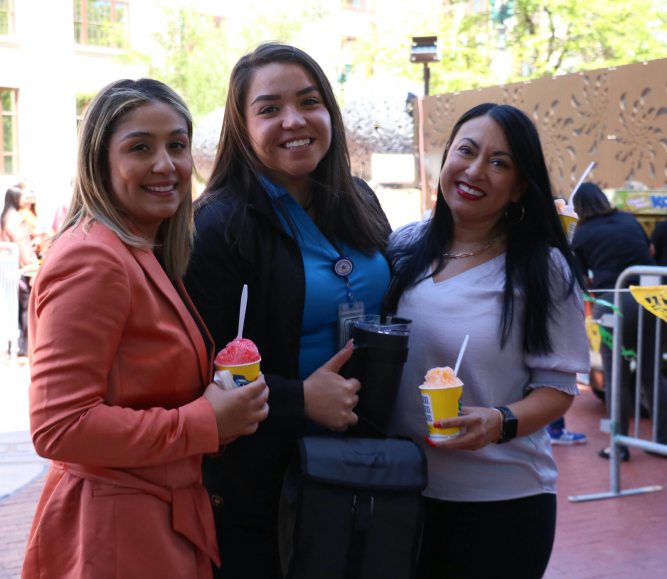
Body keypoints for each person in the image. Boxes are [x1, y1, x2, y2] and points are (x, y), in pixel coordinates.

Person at [22, 78, 269, 579]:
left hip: (153, 527)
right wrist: (204, 422)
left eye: (176, 145)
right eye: (140, 147)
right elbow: (59, 426)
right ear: (99, 161)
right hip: (113, 536)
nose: (165, 164)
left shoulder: (139, 251)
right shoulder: (94, 257)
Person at [183, 43, 392, 578]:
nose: (294, 120)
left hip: (367, 462)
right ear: (242, 124)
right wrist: (301, 399)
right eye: (269, 108)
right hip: (268, 486)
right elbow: (195, 371)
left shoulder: (360, 199)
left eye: (309, 101)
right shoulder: (218, 226)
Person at [386, 103, 590, 578]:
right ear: (446, 157)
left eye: (499, 163)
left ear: (520, 185)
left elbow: (558, 389)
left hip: (501, 505)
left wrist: (499, 422)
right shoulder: (402, 247)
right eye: (467, 151)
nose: (475, 171)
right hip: (401, 492)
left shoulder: (541, 267)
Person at [571, 182, 667, 460]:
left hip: (614, 305)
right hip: (651, 300)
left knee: (616, 378)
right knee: (652, 374)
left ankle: (619, 445)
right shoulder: (628, 218)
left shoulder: (582, 233)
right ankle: (662, 442)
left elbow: (578, 280)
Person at [1, 185, 39, 356]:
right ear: (16, 198)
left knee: (15, 308)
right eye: (24, 196)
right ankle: (26, 348)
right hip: (21, 270)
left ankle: (17, 347)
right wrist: (33, 268)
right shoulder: (17, 219)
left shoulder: (6, 216)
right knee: (27, 307)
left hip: (10, 269)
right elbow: (22, 245)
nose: (28, 199)